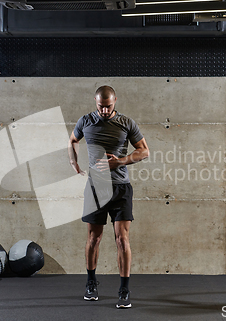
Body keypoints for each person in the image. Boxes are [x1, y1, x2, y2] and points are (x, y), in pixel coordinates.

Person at [68, 85, 149, 309]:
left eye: (108, 106)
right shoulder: (85, 121)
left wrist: (121, 161)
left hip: (120, 188)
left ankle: (124, 289)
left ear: (115, 101)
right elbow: (72, 141)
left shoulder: (126, 123)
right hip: (96, 187)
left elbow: (144, 151)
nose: (104, 111)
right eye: (101, 107)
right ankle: (91, 283)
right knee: (94, 238)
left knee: (122, 239)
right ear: (96, 103)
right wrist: (74, 162)